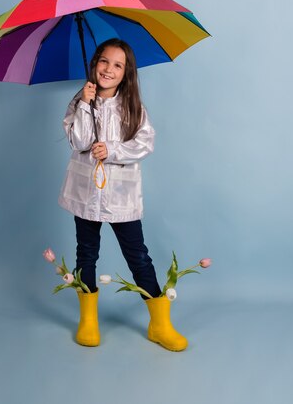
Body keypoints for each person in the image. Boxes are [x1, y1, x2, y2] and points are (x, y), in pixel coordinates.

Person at [58, 38, 187, 351]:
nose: (108, 69)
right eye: (104, 61)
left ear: (126, 72)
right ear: (95, 64)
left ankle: (159, 323)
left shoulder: (133, 107)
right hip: (87, 192)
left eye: (117, 65)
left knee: (138, 256)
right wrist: (87, 106)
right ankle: (88, 319)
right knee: (86, 253)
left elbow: (145, 143)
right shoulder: (80, 101)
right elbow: (78, 141)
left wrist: (113, 149)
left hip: (120, 195)